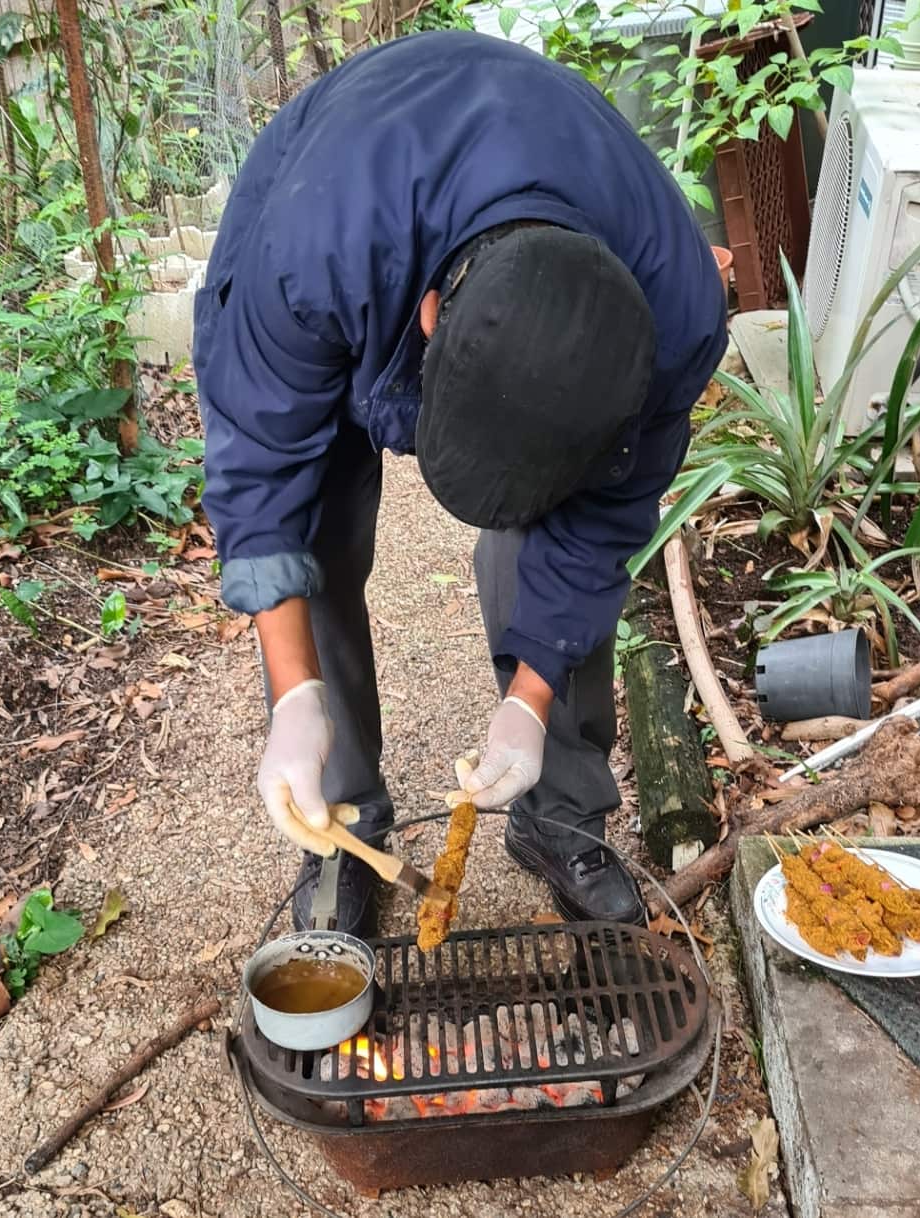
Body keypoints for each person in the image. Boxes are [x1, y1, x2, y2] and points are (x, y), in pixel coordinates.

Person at [193, 28, 728, 940]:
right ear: (432, 318)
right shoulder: (311, 256)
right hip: (350, 183)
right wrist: (293, 696)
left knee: (568, 554)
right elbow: (259, 470)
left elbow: (599, 530)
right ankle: (342, 819)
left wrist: (527, 704)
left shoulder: (674, 318)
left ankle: (558, 810)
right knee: (315, 536)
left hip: (531, 213)